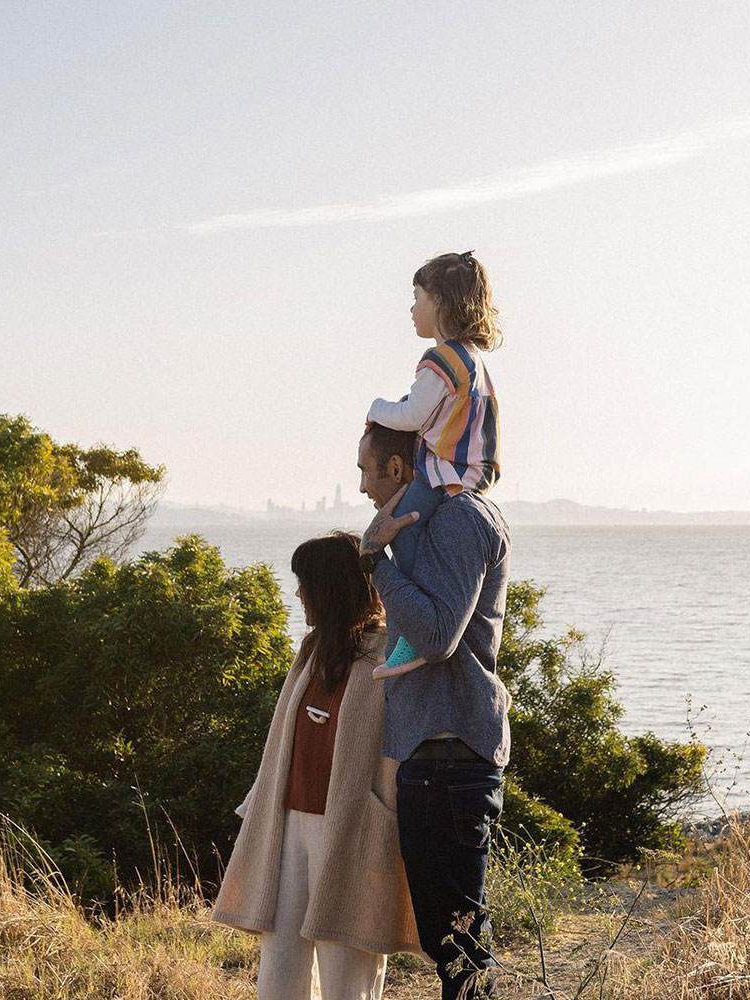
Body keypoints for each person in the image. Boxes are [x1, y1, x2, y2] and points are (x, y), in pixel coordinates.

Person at [211, 531, 421, 1000]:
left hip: (353, 826)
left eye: (305, 583)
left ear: (329, 589)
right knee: (280, 965)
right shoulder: (311, 650)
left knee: (348, 969)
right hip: (288, 824)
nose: (299, 593)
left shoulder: (392, 652)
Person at [356, 423, 512, 1000]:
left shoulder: (460, 519)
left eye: (366, 470)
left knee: (461, 950)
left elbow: (439, 634)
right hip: (434, 758)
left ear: (396, 470)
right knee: (449, 947)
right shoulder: (425, 528)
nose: (363, 486)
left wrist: (374, 562)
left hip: (451, 759)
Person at [367, 250, 502, 678]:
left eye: (416, 297)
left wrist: (375, 407)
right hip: (470, 470)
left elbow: (411, 416)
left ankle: (413, 640)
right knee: (414, 532)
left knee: (401, 530)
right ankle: (412, 634)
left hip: (445, 471)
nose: (411, 309)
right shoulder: (472, 361)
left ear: (440, 302)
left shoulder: (440, 359)